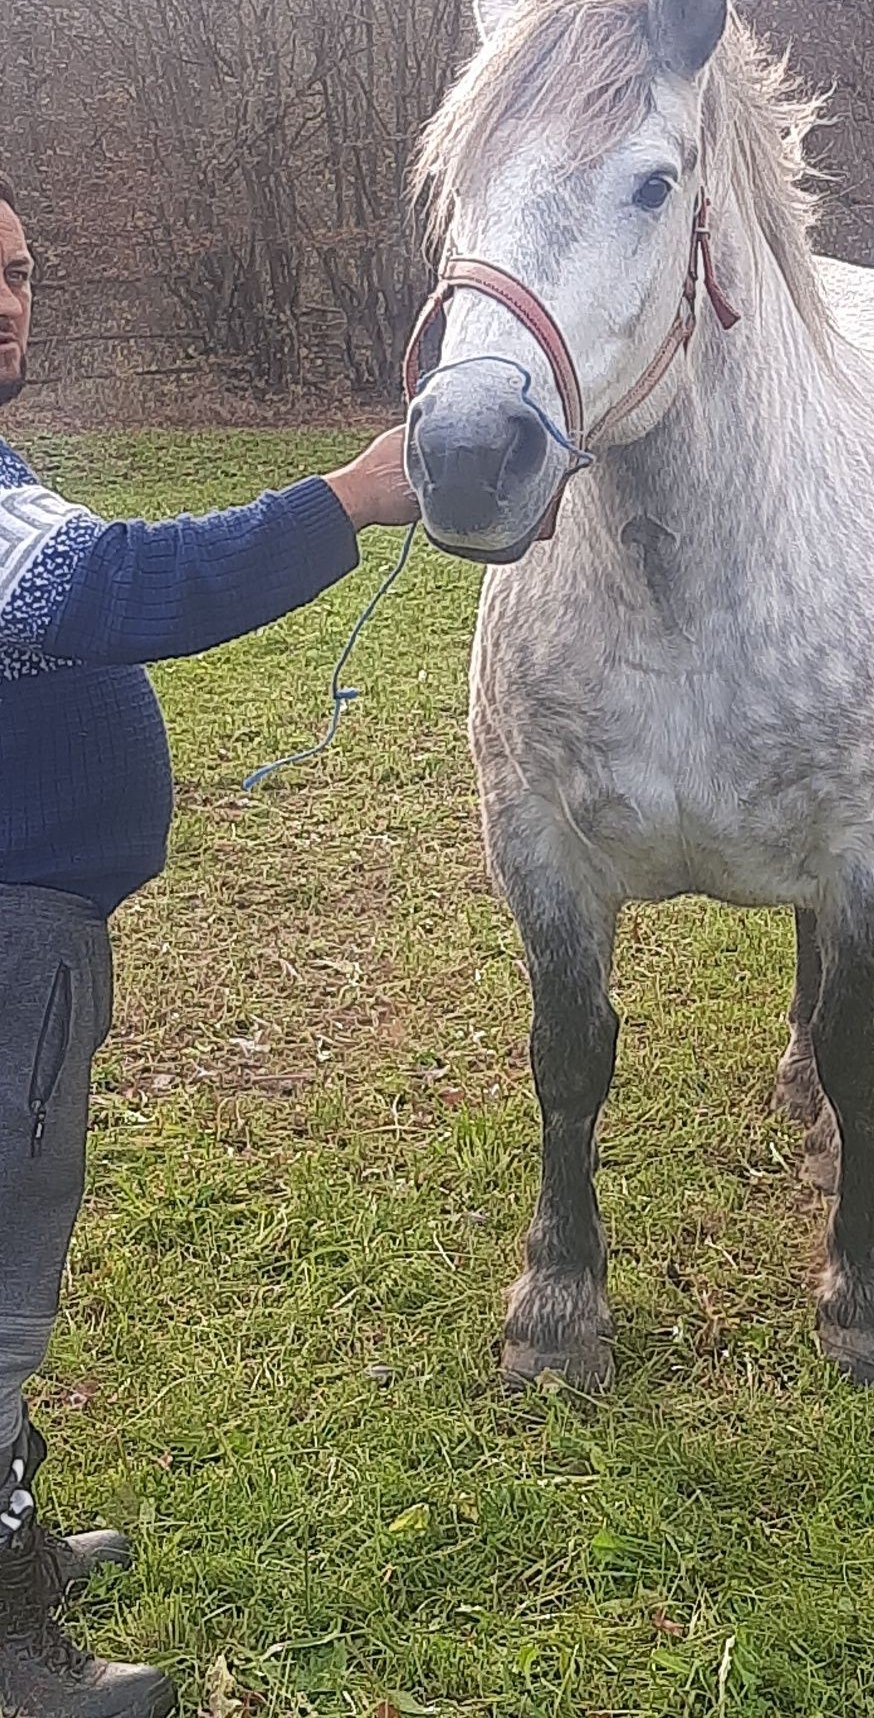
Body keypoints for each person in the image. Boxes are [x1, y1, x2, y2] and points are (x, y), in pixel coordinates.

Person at [0, 170, 417, 1716]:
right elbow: (121, 585)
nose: (7, 300)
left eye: (22, 272)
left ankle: (14, 1541)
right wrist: (348, 499)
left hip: (40, 937)